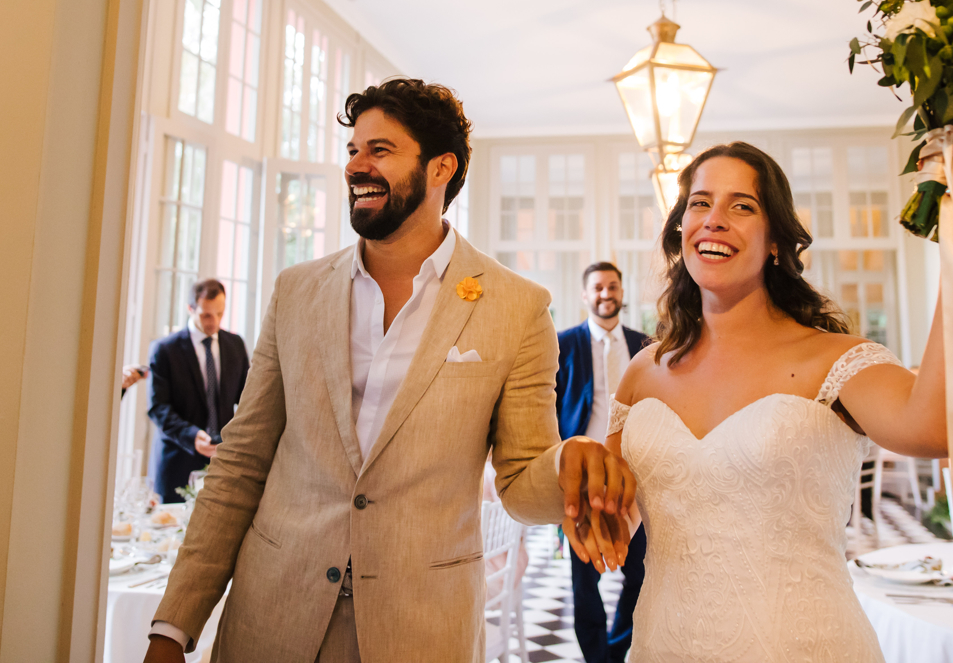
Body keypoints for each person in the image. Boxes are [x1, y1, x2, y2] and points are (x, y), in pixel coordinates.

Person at [145, 78, 633, 663]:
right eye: (353, 150)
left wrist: (567, 461)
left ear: (441, 168)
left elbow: (520, 483)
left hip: (421, 630)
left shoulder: (517, 307)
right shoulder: (296, 292)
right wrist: (172, 628)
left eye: (380, 150)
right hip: (271, 617)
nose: (356, 166)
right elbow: (241, 463)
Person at [590, 142, 953, 662]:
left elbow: (934, 428)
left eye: (742, 206)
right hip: (662, 646)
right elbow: (616, 515)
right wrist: (586, 496)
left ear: (776, 243)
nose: (714, 219)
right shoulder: (644, 371)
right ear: (681, 229)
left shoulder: (835, 359)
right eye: (700, 203)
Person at [555, 262, 649, 663]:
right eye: (597, 288)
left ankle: (617, 647)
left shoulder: (644, 345)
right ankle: (597, 658)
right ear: (585, 295)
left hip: (638, 478)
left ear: (622, 292)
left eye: (612, 286)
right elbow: (549, 411)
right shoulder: (563, 344)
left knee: (640, 573)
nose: (605, 294)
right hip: (583, 481)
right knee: (584, 580)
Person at [146, 280, 249, 503]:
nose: (215, 322)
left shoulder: (235, 345)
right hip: (177, 464)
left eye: (220, 314)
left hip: (223, 465)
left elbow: (248, 400)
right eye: (206, 315)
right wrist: (192, 436)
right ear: (190, 309)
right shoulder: (165, 350)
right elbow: (158, 408)